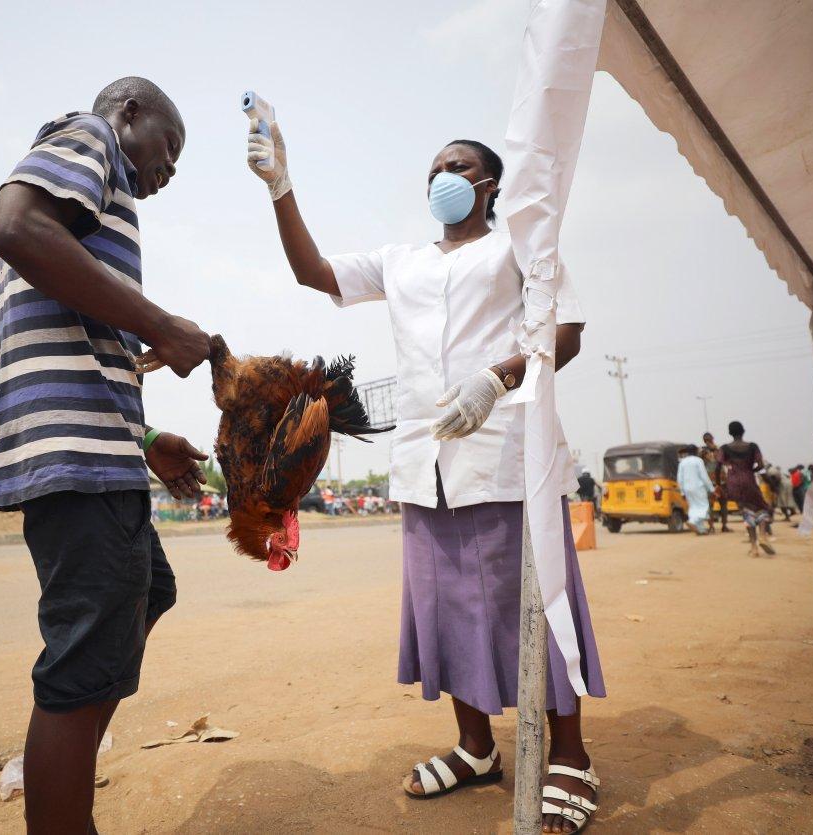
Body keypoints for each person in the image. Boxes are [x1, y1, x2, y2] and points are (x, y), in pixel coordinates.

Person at [248, 124, 605, 832]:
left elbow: (566, 332)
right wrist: (280, 187)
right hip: (425, 463)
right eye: (436, 165)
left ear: (489, 184)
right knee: (446, 610)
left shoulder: (520, 243)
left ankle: (570, 754)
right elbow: (312, 271)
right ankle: (476, 747)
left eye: (460, 165)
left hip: (506, 451)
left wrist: (496, 380)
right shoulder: (400, 262)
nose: (444, 174)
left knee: (535, 603)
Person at [0, 76, 213, 835]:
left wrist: (146, 441)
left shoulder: (101, 196)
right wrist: (162, 326)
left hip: (98, 452)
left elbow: (79, 345)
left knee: (151, 586)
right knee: (82, 662)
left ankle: (73, 733)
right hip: (76, 464)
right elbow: (13, 226)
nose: (170, 168)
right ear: (130, 113)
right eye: (169, 145)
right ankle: (66, 748)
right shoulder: (90, 137)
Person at [718, 422, 775, 557]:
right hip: (749, 480)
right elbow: (760, 465)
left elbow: (718, 466)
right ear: (743, 432)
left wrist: (719, 484)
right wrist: (750, 470)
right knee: (762, 508)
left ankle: (754, 548)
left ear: (730, 433)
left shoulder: (724, 448)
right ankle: (762, 535)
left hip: (733, 483)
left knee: (746, 511)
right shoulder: (752, 447)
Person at [677, 446, 714, 534]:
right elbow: (704, 476)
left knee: (694, 507)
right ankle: (692, 521)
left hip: (687, 488)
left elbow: (679, 478)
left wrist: (682, 491)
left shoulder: (682, 462)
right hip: (698, 487)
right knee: (703, 506)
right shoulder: (698, 460)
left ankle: (700, 529)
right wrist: (712, 489)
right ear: (695, 452)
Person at [702, 432, 729, 532]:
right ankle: (722, 526)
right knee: (721, 504)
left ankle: (713, 526)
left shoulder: (704, 452)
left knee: (712, 505)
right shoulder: (717, 450)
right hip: (719, 481)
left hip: (713, 481)